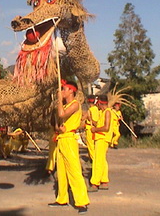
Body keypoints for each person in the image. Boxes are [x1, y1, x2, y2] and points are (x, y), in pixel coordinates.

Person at [48, 80, 90, 214]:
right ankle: (62, 198)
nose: (62, 91)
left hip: (69, 140)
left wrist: (59, 100)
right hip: (61, 138)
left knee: (74, 170)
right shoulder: (65, 106)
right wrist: (58, 127)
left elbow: (61, 115)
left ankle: (82, 202)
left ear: (71, 91)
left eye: (64, 89)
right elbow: (57, 122)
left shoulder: (75, 104)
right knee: (61, 171)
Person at [89, 94, 113, 192]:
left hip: (102, 138)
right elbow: (100, 124)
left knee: (97, 161)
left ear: (100, 103)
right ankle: (104, 181)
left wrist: (95, 130)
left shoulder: (107, 112)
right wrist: (91, 121)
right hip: (101, 138)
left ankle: (95, 183)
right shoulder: (103, 112)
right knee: (102, 160)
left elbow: (106, 128)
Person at [85, 95, 99, 162]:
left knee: (91, 146)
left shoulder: (94, 109)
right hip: (88, 128)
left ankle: (94, 160)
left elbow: (95, 122)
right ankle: (92, 158)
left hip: (91, 129)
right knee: (90, 145)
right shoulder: (91, 109)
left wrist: (89, 118)